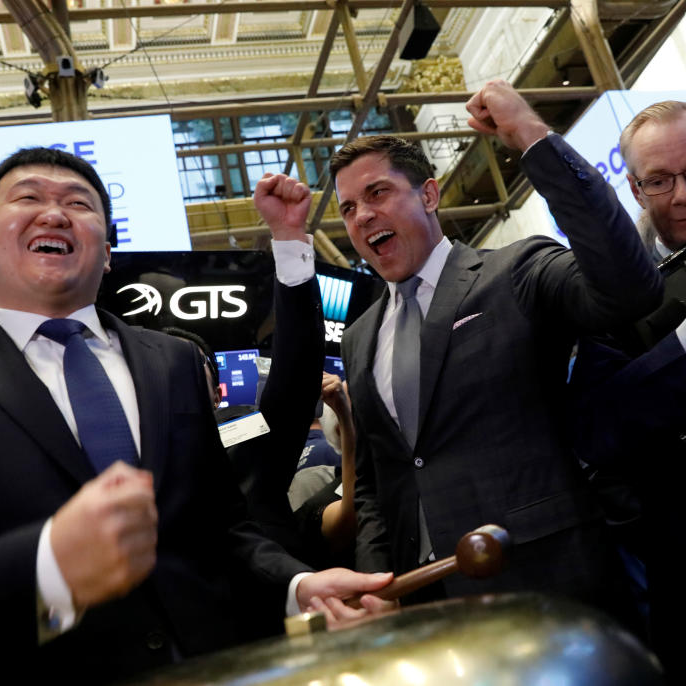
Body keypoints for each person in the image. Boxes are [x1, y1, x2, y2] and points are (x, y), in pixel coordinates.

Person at [0, 147, 394, 681]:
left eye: (78, 204)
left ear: (106, 251)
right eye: (27, 199)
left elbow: (220, 528)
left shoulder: (172, 364)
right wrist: (49, 563)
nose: (54, 213)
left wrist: (297, 586)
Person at [262, 79, 663, 616]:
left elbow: (628, 287)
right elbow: (379, 486)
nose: (362, 217)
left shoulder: (514, 272)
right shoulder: (360, 337)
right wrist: (380, 583)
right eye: (349, 208)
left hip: (549, 586)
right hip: (431, 607)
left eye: (378, 193)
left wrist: (531, 137)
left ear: (429, 194)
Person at [569, 100, 686, 678]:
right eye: (661, 181)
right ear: (636, 192)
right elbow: (600, 426)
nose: (682, 194)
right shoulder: (608, 298)